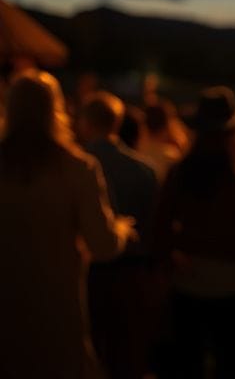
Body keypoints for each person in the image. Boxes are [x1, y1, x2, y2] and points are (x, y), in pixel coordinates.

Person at [0, 70, 134, 379]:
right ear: (56, 110)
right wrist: (122, 230)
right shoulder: (77, 168)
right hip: (55, 306)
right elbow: (103, 245)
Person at [154, 85, 235, 378]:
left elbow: (159, 226)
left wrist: (177, 254)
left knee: (187, 364)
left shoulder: (180, 173)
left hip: (190, 281)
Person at [79, 90, 160, 379]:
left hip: (87, 275)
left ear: (85, 123)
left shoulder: (75, 166)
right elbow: (154, 229)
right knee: (128, 356)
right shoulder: (144, 171)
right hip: (132, 274)